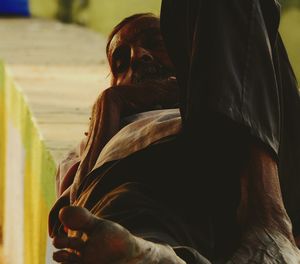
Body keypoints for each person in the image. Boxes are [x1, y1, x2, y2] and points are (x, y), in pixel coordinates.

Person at [48, 1, 300, 262]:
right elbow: (73, 211)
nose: (138, 57)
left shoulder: (238, 86)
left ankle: (270, 225)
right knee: (119, 208)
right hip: (160, 192)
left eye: (156, 43)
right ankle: (154, 253)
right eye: (120, 63)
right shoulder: (105, 132)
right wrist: (109, 104)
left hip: (267, 168)